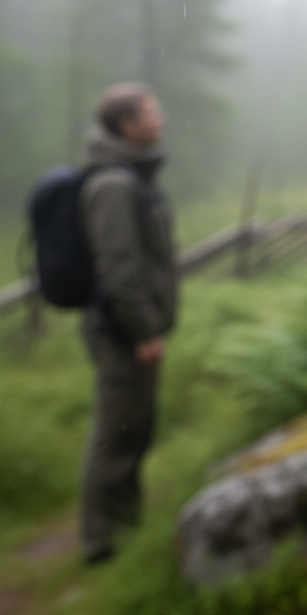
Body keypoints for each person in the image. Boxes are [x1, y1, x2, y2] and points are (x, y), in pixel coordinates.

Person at [78, 84, 178, 564]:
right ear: (127, 126)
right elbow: (120, 267)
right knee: (116, 430)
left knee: (134, 428)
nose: (159, 118)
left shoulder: (131, 177)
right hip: (120, 331)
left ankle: (126, 524)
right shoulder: (114, 185)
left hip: (130, 329)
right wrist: (142, 330)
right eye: (150, 112)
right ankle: (100, 543)